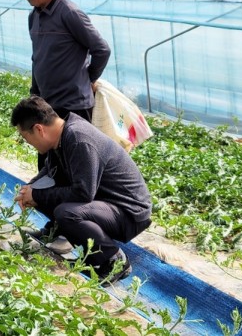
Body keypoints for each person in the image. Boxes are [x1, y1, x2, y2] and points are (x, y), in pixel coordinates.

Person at [11, 96, 152, 285]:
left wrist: (36, 195)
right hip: (104, 204)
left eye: (26, 137)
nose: (28, 143)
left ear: (39, 129)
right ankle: (87, 253)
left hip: (129, 212)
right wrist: (29, 189)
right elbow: (50, 172)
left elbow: (83, 193)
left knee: (66, 212)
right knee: (43, 194)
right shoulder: (60, 138)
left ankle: (115, 260)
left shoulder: (79, 140)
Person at [5, 0, 111, 170]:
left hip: (73, 108)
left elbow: (101, 49)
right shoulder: (33, 17)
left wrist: (86, 80)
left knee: (74, 168)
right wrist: (35, 95)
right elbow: (38, 58)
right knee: (47, 167)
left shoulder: (69, 13)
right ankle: (47, 202)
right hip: (46, 106)